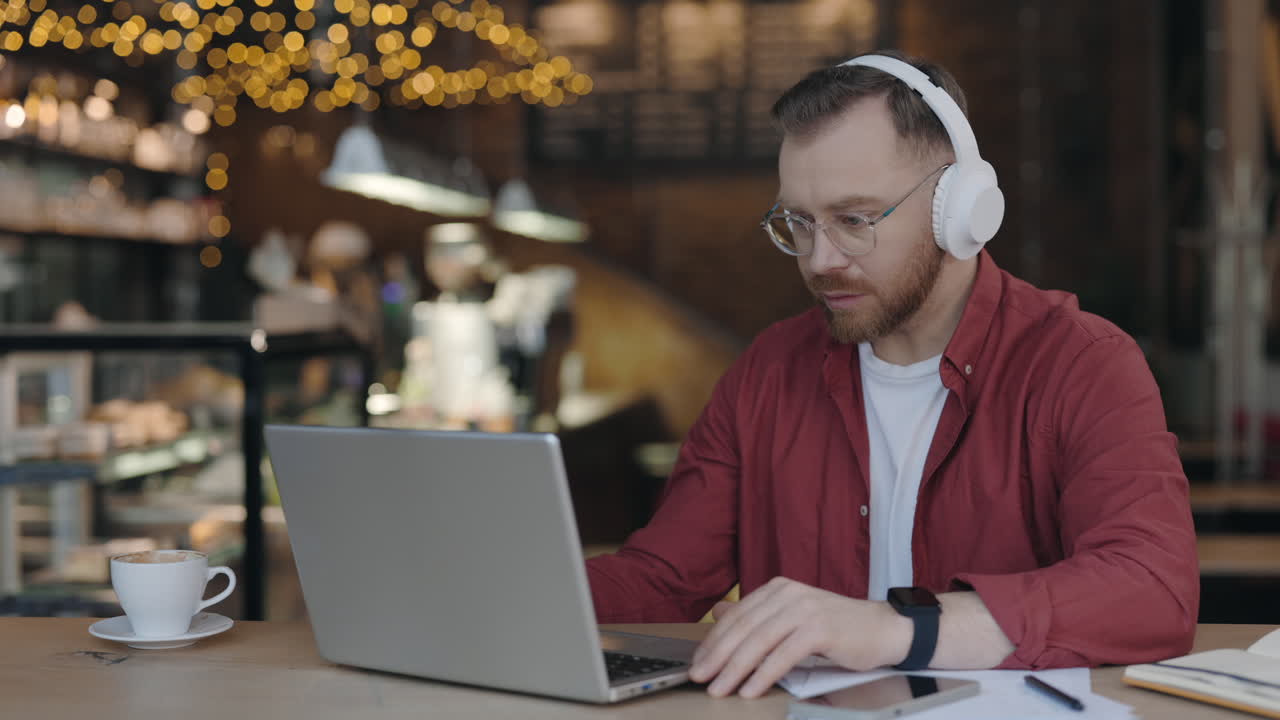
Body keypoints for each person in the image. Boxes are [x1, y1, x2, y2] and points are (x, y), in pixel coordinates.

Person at [585, 50, 1199, 699]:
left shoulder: (1080, 361)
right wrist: (523, 593)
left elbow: (1151, 589)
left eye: (854, 220)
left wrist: (893, 628)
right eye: (798, 222)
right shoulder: (769, 370)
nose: (820, 260)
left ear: (958, 209)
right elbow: (663, 579)